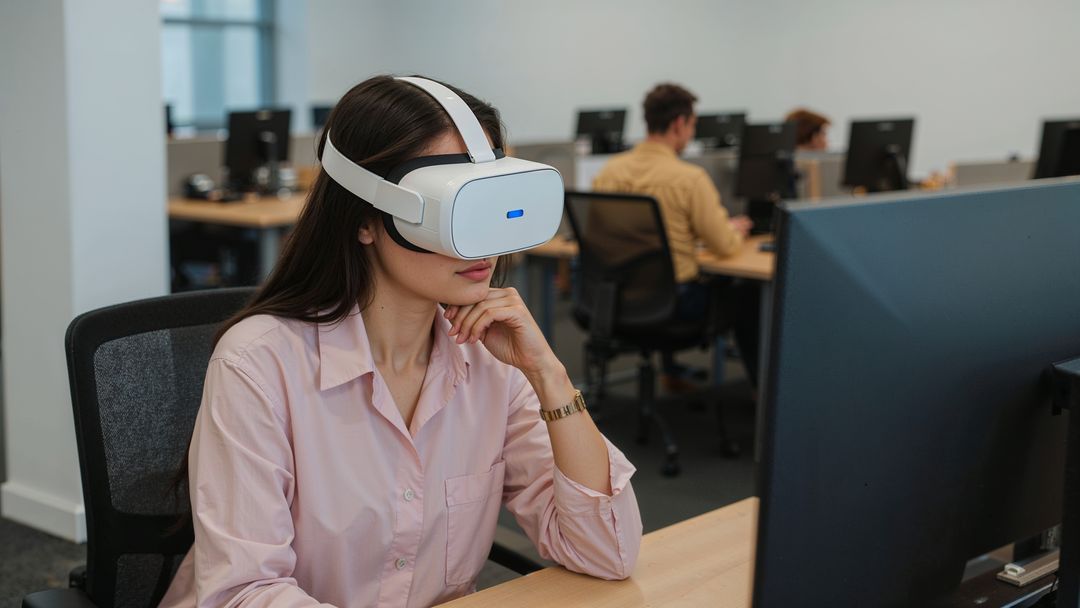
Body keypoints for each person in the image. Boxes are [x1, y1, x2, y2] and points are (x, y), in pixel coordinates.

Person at [159, 75, 642, 608]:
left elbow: (605, 552)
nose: (482, 242)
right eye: (454, 207)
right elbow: (245, 593)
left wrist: (549, 374)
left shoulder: (492, 360)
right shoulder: (259, 364)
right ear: (366, 220)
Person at [591, 83, 759, 390]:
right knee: (751, 296)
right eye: (693, 125)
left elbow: (602, 236)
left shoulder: (609, 172)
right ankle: (760, 393)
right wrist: (732, 229)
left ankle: (671, 372)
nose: (692, 133)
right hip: (676, 306)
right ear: (680, 123)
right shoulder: (689, 178)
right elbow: (724, 245)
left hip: (615, 298)